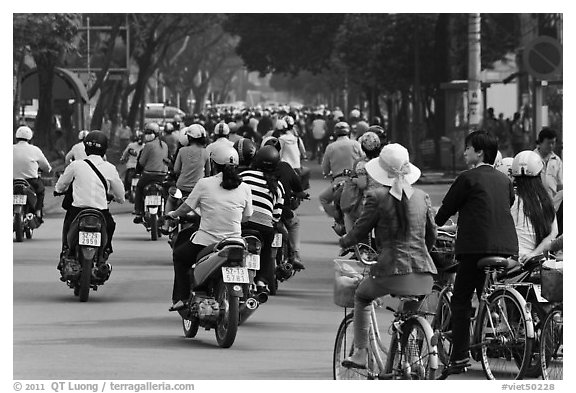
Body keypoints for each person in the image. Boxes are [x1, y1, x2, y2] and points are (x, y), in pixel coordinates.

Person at [339, 143, 438, 369]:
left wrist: (344, 241)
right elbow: (430, 236)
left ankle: (361, 353)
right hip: (424, 274)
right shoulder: (422, 196)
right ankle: (412, 358)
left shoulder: (376, 197)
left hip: (392, 270)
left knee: (362, 296)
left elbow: (360, 231)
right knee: (409, 307)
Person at [434, 130, 518, 375]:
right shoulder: (503, 179)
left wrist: (434, 225)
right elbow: (507, 203)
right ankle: (491, 320)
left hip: (474, 248)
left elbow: (444, 211)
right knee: (486, 291)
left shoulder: (467, 178)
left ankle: (459, 356)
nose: (464, 152)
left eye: (468, 148)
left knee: (460, 299)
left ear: (479, 151)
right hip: (505, 248)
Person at [165, 145, 253, 311]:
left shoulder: (204, 184)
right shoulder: (245, 188)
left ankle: (182, 298)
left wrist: (173, 214)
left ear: (213, 164)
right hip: (235, 242)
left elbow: (186, 208)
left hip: (207, 242)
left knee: (180, 256)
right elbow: (247, 217)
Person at [55, 131, 125, 270]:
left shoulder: (76, 165)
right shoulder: (110, 168)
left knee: (67, 225)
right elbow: (120, 195)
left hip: (77, 211)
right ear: (105, 149)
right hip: (101, 212)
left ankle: (66, 251)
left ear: (85, 148)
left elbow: (61, 184)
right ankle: (105, 251)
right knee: (110, 225)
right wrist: (118, 199)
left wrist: (57, 191)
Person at [239, 146, 285, 293]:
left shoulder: (245, 175)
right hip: (265, 228)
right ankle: (261, 281)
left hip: (243, 223)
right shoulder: (278, 186)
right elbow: (276, 216)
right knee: (266, 252)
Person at [263, 137, 307, 270]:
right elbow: (299, 188)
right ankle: (295, 254)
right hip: (282, 212)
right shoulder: (285, 166)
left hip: (264, 213)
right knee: (294, 223)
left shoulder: (255, 170)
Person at [510, 150, 558, 264]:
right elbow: (553, 234)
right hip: (537, 263)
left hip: (512, 262)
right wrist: (534, 254)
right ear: (539, 174)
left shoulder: (510, 199)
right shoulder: (545, 201)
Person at [319, 121, 364, 234]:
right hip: (355, 181)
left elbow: (325, 168)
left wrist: (327, 172)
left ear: (335, 133)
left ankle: (338, 218)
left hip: (338, 181)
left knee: (323, 198)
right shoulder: (356, 144)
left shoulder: (331, 147)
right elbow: (364, 159)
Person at [341, 131, 382, 233]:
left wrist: (353, 180)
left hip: (368, 202)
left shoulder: (362, 165)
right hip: (386, 201)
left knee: (348, 214)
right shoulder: (384, 162)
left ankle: (352, 241)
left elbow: (362, 184)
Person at [166, 124, 211, 213]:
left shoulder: (182, 151)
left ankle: (165, 226)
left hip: (181, 188)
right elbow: (208, 173)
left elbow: (176, 170)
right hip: (198, 189)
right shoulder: (205, 152)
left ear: (189, 138)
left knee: (171, 200)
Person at [13, 126, 52, 222]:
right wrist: (48, 169)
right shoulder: (35, 150)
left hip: (12, 180)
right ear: (30, 138)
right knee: (41, 192)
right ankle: (38, 211)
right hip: (31, 181)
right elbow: (46, 166)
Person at [132, 122, 169, 222]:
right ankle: (166, 212)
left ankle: (138, 212)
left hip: (148, 175)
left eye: (149, 133)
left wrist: (137, 171)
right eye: (146, 133)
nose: (147, 135)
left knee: (139, 187)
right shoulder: (164, 145)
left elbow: (141, 162)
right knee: (165, 193)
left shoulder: (148, 146)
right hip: (162, 175)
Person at [534, 127, 563, 208]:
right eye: (548, 143)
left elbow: (560, 184)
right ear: (540, 142)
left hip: (553, 204)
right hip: (536, 204)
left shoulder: (557, 160)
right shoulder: (532, 158)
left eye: (553, 143)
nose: (551, 146)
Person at [120, 131, 145, 196]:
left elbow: (124, 155)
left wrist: (122, 159)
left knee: (127, 182)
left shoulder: (131, 145)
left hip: (132, 167)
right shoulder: (145, 146)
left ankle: (127, 190)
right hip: (140, 168)